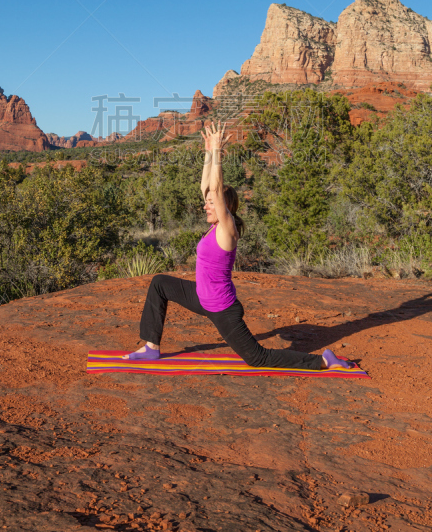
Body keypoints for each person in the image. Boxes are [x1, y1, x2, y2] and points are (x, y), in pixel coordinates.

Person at [122, 122, 353, 371]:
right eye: (207, 202)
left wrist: (219, 154)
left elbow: (216, 191)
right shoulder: (214, 226)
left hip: (222, 308)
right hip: (201, 296)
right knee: (160, 284)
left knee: (257, 358)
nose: (205, 205)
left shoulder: (226, 228)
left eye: (211, 203)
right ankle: (151, 348)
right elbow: (207, 188)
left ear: (224, 206)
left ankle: (323, 360)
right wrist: (209, 152)